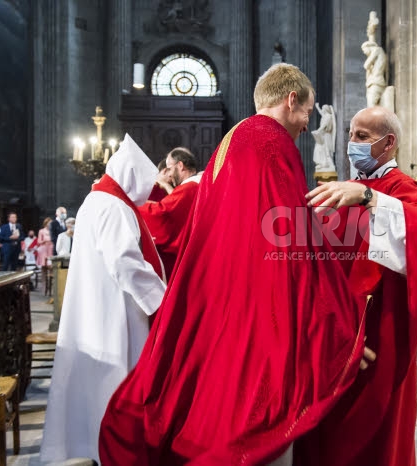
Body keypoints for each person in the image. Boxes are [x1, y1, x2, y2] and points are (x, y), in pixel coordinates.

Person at [99, 63, 366, 465]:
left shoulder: (233, 137)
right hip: (259, 305)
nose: (308, 124)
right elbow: (292, 238)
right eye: (308, 112)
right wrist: (338, 323)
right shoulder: (272, 141)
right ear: (290, 100)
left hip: (220, 292)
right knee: (255, 418)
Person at [295, 106, 417, 466]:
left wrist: (369, 198)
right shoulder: (348, 187)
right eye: (350, 134)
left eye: (362, 136)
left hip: (377, 329)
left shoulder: (399, 187)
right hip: (334, 327)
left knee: (370, 430)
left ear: (388, 143)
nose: (351, 143)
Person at [40, 134, 166, 464]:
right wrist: (162, 302)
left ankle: (86, 447)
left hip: (99, 308)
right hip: (114, 311)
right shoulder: (113, 207)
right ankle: (108, 449)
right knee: (111, 385)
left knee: (90, 386)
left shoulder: (97, 201)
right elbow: (124, 261)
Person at [139, 147, 202, 276]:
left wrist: (134, 206)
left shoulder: (189, 188)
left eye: (169, 168)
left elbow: (163, 213)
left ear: (180, 166)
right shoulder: (198, 184)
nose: (168, 174)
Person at [311, 103, 336, 172]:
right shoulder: (325, 116)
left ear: (326, 109)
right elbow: (321, 113)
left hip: (327, 135)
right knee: (321, 148)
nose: (322, 110)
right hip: (323, 134)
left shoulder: (328, 117)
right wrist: (317, 107)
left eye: (323, 109)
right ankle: (323, 163)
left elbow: (324, 125)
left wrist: (318, 131)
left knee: (327, 149)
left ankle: (330, 164)